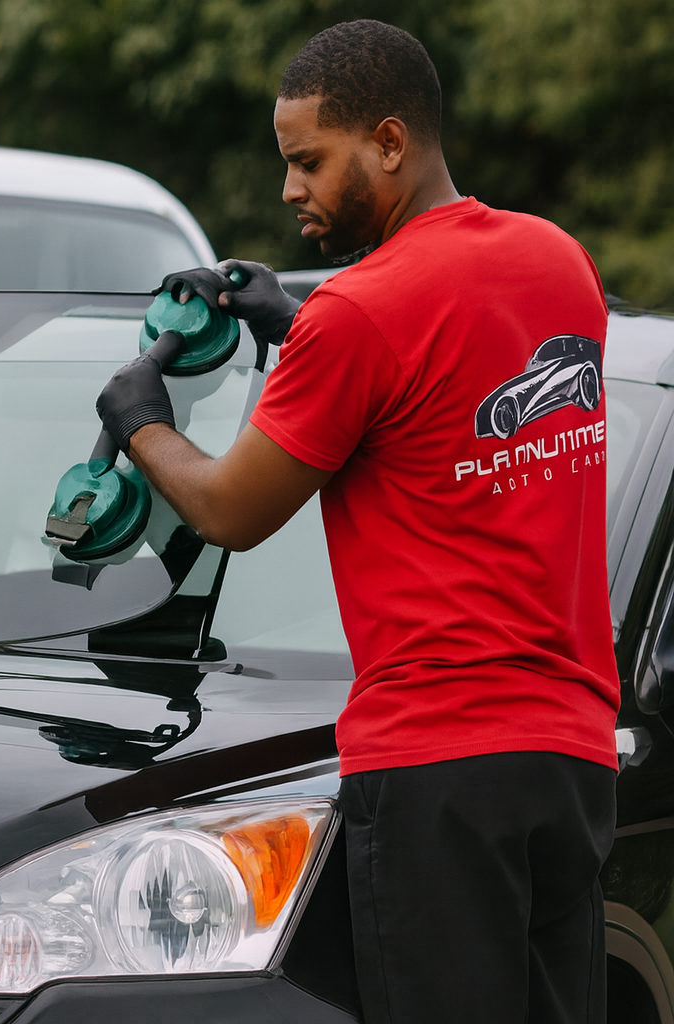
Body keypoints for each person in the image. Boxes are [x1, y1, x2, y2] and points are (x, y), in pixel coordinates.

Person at [96, 20, 617, 1024]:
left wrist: (141, 422)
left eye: (309, 161)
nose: (290, 188)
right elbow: (436, 398)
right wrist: (296, 325)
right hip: (569, 757)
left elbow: (232, 510)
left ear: (388, 142)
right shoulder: (559, 262)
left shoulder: (360, 314)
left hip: (437, 765)